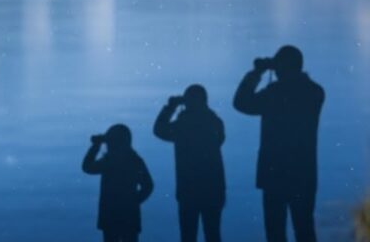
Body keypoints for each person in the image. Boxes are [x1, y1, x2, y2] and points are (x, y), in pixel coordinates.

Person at [234, 45, 325, 242]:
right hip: (304, 174)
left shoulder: (273, 94)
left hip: (274, 173)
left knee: (275, 232)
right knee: (305, 229)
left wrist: (257, 72)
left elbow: (240, 102)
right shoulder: (315, 92)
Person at [154, 84, 226, 242]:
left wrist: (170, 107)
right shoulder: (214, 122)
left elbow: (159, 129)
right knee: (213, 234)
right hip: (213, 189)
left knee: (188, 235)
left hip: (188, 190)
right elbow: (221, 139)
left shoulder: (182, 126)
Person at [82, 124, 154, 242]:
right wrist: (134, 201)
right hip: (129, 216)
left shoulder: (109, 162)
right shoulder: (135, 161)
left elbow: (87, 167)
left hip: (110, 216)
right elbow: (148, 186)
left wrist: (96, 146)